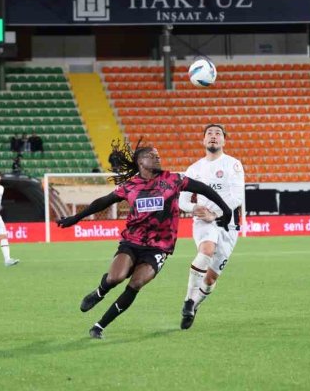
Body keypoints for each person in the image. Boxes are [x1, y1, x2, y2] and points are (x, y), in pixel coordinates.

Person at [56, 139, 233, 339]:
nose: (158, 157)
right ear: (140, 161)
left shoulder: (172, 179)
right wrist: (75, 218)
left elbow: (203, 189)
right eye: (152, 155)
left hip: (159, 247)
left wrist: (225, 209)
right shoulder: (131, 185)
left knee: (136, 284)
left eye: (158, 155)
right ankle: (99, 292)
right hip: (133, 242)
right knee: (115, 277)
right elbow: (103, 201)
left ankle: (99, 326)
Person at [177, 124, 245, 330]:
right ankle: (188, 300)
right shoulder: (194, 169)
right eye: (209, 134)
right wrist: (194, 208)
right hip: (204, 222)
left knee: (211, 278)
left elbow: (237, 196)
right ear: (203, 141)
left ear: (224, 140)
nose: (213, 137)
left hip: (228, 224)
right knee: (206, 250)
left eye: (218, 134)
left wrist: (215, 213)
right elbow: (182, 200)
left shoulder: (234, 165)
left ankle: (195, 305)